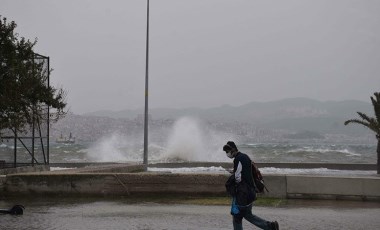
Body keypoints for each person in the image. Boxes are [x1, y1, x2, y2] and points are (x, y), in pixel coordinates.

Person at [223, 141, 279, 230]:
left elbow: (238, 177)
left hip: (243, 193)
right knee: (248, 215)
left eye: (228, 151)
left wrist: (234, 184)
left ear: (233, 149)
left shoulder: (238, 159)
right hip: (251, 191)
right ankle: (270, 226)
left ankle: (270, 226)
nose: (227, 153)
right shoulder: (245, 156)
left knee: (237, 217)